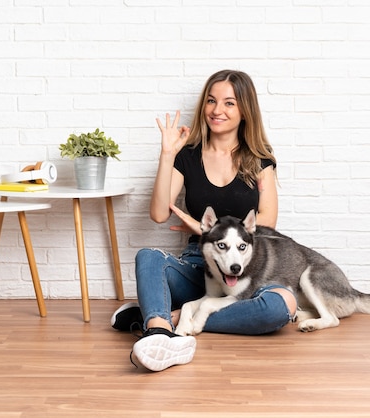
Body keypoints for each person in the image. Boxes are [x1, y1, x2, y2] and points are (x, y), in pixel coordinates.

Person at [111, 70, 297, 372]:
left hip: (246, 270)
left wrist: (202, 228)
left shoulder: (260, 160)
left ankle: (170, 317)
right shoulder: (187, 157)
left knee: (281, 306)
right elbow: (159, 213)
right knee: (148, 257)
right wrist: (168, 154)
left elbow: (267, 223)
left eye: (229, 103)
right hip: (200, 266)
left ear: (245, 110)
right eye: (211, 101)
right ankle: (159, 335)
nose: (217, 110)